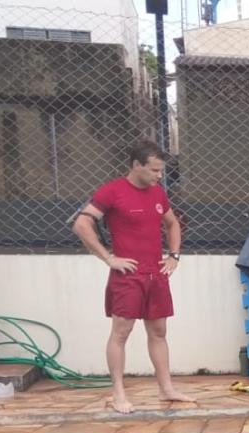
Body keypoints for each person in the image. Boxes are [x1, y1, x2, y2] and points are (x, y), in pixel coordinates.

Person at [72, 140, 192, 414]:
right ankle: (118, 394)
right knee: (121, 333)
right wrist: (108, 258)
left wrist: (174, 256)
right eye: (153, 170)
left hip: (155, 274)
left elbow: (172, 223)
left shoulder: (158, 193)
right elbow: (81, 223)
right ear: (136, 165)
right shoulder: (113, 192)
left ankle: (166, 389)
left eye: (161, 171)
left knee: (159, 331)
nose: (158, 176)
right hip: (128, 276)